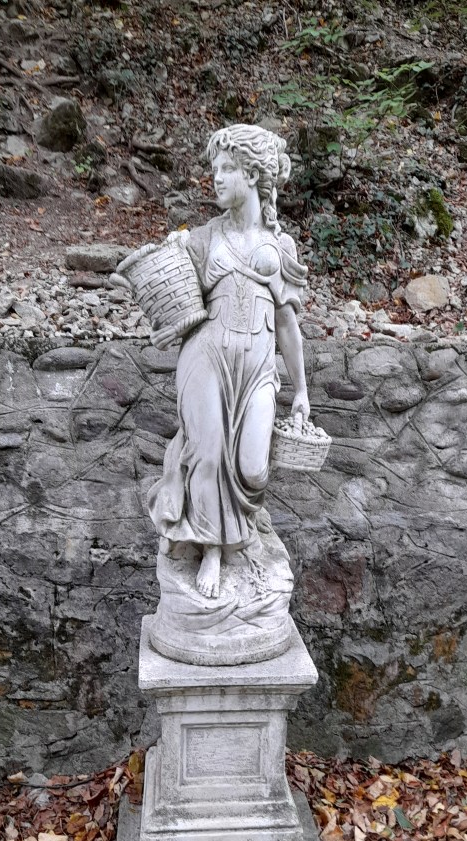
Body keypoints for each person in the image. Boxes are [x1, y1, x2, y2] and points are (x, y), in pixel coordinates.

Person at [147, 124, 310, 600]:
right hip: (206, 358)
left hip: (257, 368)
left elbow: (287, 326)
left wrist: (301, 390)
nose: (215, 178)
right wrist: (163, 261)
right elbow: (172, 298)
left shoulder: (280, 247)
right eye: (214, 169)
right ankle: (213, 548)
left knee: (254, 469)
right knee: (208, 451)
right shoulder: (201, 239)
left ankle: (239, 529)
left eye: (225, 169)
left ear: (252, 175)